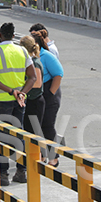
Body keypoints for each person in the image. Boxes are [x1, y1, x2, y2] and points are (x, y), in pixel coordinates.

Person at [0, 22, 36, 186]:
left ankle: (3, 174)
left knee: (1, 137)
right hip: (20, 101)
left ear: (0, 35)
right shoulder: (22, 50)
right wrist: (22, 92)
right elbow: (32, 77)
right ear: (13, 36)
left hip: (2, 100)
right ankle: (21, 171)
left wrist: (9, 91)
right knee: (18, 134)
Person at [31, 32, 63, 167]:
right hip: (38, 95)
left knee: (47, 125)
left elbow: (58, 74)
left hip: (50, 94)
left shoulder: (47, 55)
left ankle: (53, 157)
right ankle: (42, 154)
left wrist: (50, 93)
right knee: (37, 126)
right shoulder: (32, 57)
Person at [19, 36, 45, 140]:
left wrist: (21, 83)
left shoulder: (34, 63)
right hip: (30, 100)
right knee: (28, 131)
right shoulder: (29, 61)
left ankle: (40, 155)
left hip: (35, 101)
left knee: (33, 133)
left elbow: (37, 83)